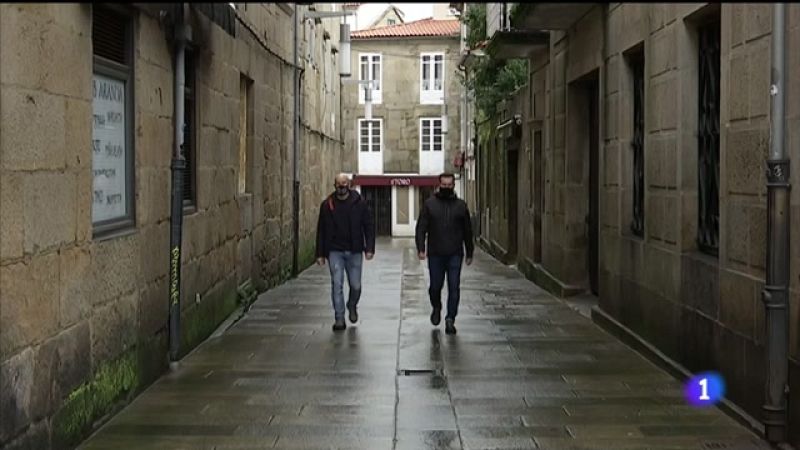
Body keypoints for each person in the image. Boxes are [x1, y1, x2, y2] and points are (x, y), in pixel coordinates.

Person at [415, 173, 474, 335]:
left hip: (455, 253)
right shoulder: (430, 205)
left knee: (454, 286)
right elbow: (421, 228)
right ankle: (436, 306)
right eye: (444, 185)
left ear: (454, 185)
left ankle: (450, 319)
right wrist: (421, 248)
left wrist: (469, 251)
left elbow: (467, 230)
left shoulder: (461, 206)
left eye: (450, 185)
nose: (447, 187)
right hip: (435, 253)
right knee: (435, 286)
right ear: (439, 184)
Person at [315, 173, 376, 331]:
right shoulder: (327, 205)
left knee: (355, 286)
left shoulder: (359, 203)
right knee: (337, 284)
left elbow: (368, 225)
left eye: (344, 183)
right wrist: (320, 254)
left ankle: (352, 305)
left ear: (349, 185)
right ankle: (339, 318)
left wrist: (369, 248)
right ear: (334, 185)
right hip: (335, 251)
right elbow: (321, 230)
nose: (342, 187)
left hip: (355, 250)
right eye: (339, 184)